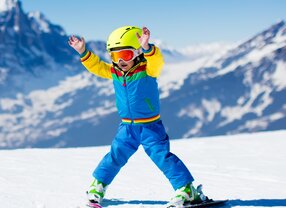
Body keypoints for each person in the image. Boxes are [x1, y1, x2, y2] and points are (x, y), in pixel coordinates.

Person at [68, 26, 202, 207]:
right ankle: (98, 185)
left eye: (126, 55)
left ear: (137, 53)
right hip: (127, 127)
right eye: (115, 56)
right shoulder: (115, 72)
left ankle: (186, 189)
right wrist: (83, 52)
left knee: (162, 156)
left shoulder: (147, 70)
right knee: (115, 155)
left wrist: (148, 48)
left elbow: (157, 61)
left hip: (150, 127)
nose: (121, 61)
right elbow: (97, 67)